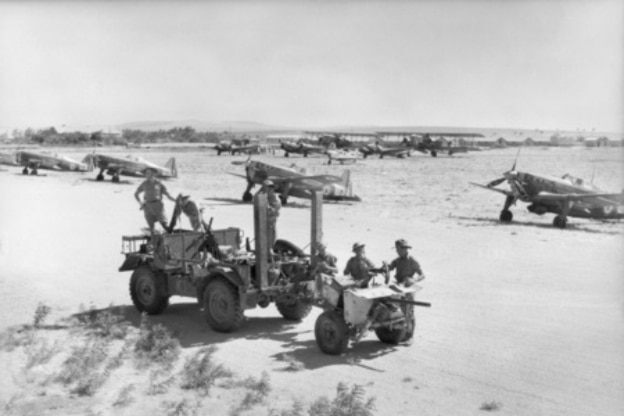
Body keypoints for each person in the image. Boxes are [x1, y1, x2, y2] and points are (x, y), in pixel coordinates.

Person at [134, 167, 176, 237]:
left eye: (148, 173)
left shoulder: (159, 183)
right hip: (148, 207)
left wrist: (176, 201)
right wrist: (140, 203)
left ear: (153, 174)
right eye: (146, 173)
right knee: (151, 229)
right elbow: (136, 194)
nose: (146, 175)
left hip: (158, 206)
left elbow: (168, 195)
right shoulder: (144, 184)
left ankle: (172, 238)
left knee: (165, 225)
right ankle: (154, 244)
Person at [262, 179, 281, 248]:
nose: (268, 190)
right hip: (263, 223)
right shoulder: (264, 197)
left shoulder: (275, 199)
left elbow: (272, 211)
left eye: (270, 188)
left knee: (270, 241)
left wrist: (266, 205)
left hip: (270, 222)